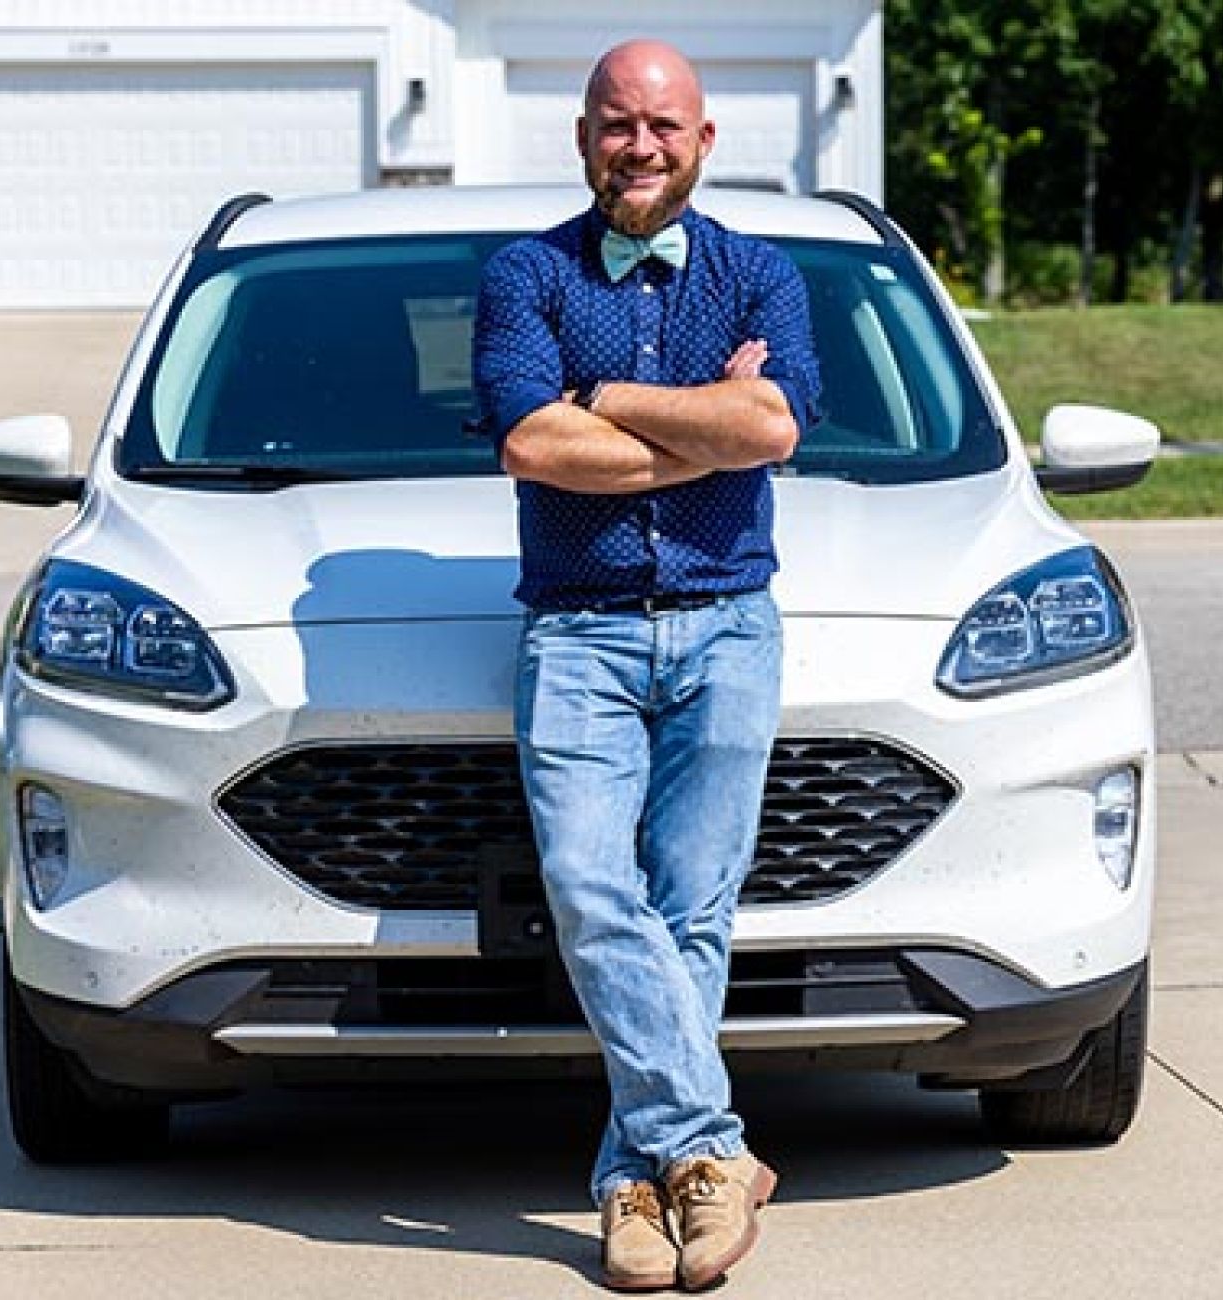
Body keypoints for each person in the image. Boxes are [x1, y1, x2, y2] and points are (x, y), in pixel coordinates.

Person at [472, 39, 821, 1292]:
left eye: (664, 125)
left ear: (704, 141)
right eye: (617, 123)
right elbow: (527, 439)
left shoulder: (759, 273)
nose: (640, 145)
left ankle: (633, 1183)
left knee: (692, 911)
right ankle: (712, 1151)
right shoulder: (525, 273)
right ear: (581, 138)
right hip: (578, 627)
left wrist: (607, 395)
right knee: (584, 885)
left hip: (730, 621)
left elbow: (774, 424)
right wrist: (702, 434)